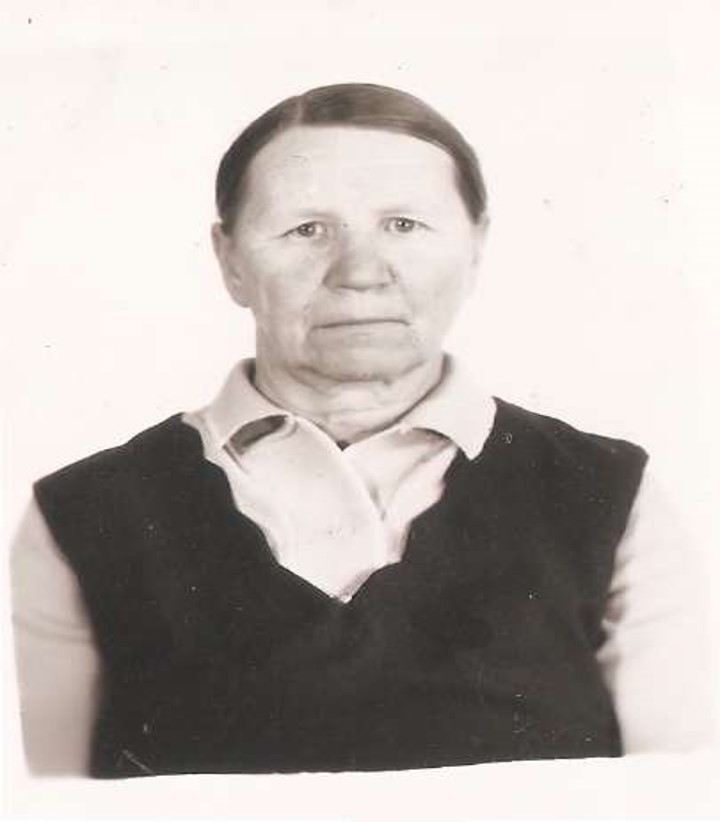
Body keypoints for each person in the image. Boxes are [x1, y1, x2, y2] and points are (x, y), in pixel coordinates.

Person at [10, 83, 710, 778]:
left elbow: (679, 798)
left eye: (403, 225)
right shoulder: (80, 515)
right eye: (307, 230)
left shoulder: (611, 498)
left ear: (476, 247)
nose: (360, 273)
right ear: (230, 261)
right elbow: (41, 802)